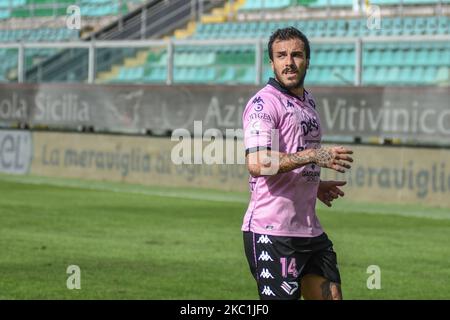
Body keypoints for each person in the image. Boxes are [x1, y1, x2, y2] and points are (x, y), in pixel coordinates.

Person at [242, 27, 354, 300]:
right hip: (273, 232)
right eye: (281, 56)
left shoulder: (308, 101)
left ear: (307, 60)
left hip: (309, 229)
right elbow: (258, 162)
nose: (289, 62)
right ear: (272, 62)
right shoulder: (263, 104)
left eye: (296, 55)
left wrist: (314, 184)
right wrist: (314, 156)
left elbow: (294, 155)